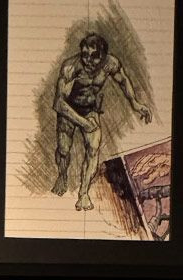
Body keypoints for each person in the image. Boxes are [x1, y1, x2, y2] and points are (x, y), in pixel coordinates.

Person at [51, 32, 151, 211]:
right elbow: (59, 103)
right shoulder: (71, 67)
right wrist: (83, 122)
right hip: (68, 110)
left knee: (93, 150)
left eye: (94, 56)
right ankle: (62, 175)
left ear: (104, 55)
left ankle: (83, 194)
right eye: (84, 55)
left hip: (90, 109)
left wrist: (135, 103)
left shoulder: (110, 63)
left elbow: (123, 80)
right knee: (64, 150)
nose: (88, 60)